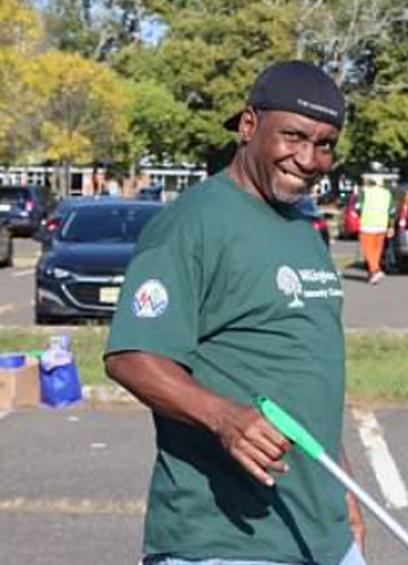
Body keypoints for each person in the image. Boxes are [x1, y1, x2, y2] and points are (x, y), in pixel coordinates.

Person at [104, 60, 366, 565]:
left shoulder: (302, 228)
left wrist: (343, 486)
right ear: (249, 125)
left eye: (325, 144)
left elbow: (304, 379)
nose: (309, 159)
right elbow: (131, 356)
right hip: (224, 542)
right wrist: (223, 417)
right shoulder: (193, 223)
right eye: (293, 136)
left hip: (321, 536)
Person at [358, 176, 392, 285]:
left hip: (367, 225)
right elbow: (391, 211)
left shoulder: (365, 192)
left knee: (368, 251)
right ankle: (372, 275)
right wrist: (391, 226)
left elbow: (358, 207)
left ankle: (376, 270)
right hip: (381, 225)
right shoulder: (387, 194)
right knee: (376, 252)